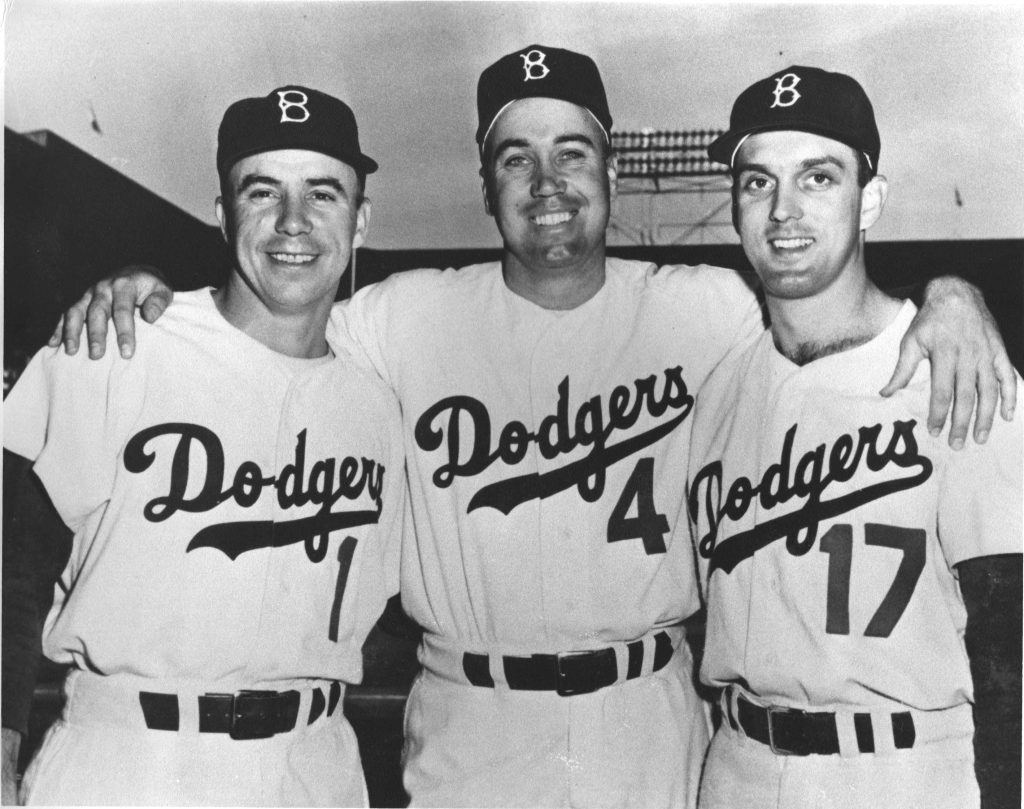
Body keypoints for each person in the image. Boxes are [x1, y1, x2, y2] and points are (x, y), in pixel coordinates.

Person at [37, 46, 1015, 808]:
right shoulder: (398, 315)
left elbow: (838, 318)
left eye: (571, 150)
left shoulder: (710, 309)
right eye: (516, 155)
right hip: (470, 717)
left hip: (652, 718)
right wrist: (145, 291)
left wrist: (953, 293)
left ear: (612, 163)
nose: (546, 182)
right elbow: (268, 314)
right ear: (485, 178)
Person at [1, 85, 406, 805]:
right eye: (261, 191)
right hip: (131, 761)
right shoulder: (119, 343)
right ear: (222, 214)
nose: (293, 222)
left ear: (361, 219)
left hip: (315, 767)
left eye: (323, 194)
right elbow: (11, 561)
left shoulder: (380, 402)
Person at [686, 66, 1022, 809]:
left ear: (870, 199)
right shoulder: (715, 396)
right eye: (757, 182)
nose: (784, 212)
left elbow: (1013, 647)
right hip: (737, 769)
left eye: (818, 177)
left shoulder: (958, 372)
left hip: (902, 771)